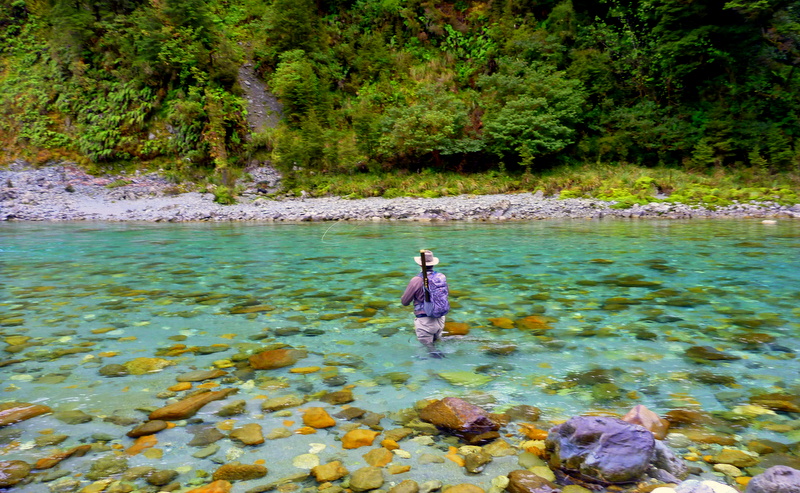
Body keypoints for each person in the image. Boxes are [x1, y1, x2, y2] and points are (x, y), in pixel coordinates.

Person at [401, 249, 449, 358]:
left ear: (419, 264)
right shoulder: (441, 277)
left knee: (430, 350)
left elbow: (405, 302)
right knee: (437, 342)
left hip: (425, 321)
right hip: (440, 318)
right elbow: (446, 294)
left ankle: (436, 372)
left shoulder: (416, 280)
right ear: (433, 264)